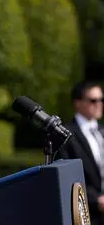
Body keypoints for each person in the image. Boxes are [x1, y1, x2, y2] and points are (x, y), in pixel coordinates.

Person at [56, 81, 104, 225]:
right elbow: (67, 177)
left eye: (101, 100)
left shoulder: (101, 131)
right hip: (85, 214)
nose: (99, 104)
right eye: (93, 100)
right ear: (78, 103)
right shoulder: (65, 134)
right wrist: (96, 200)